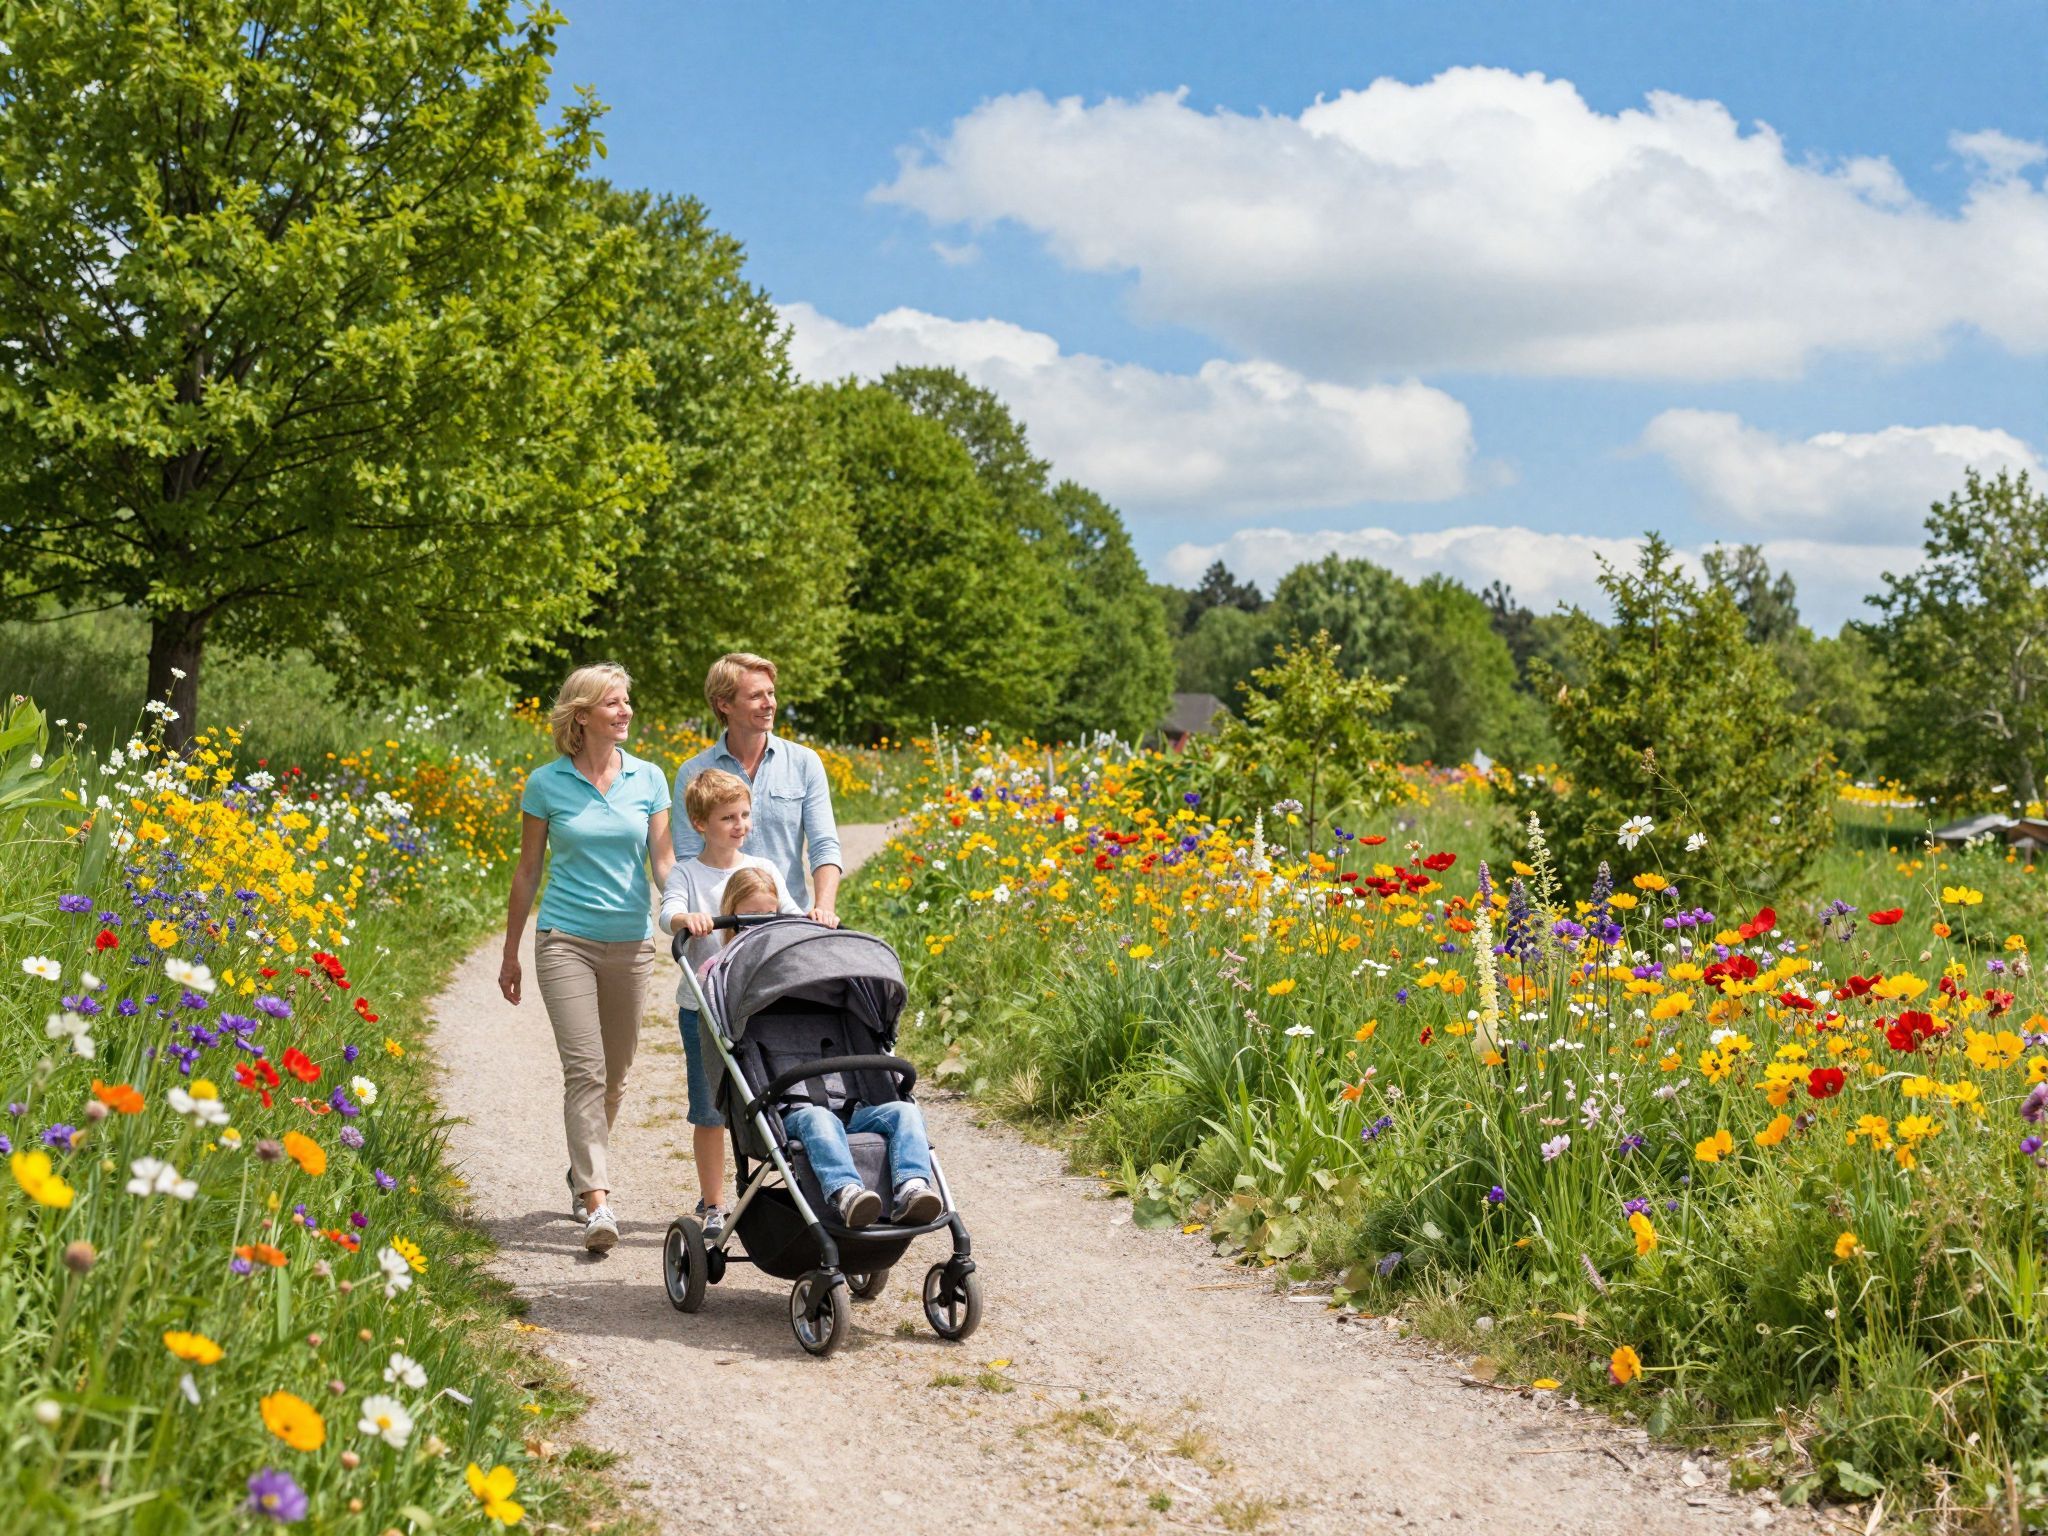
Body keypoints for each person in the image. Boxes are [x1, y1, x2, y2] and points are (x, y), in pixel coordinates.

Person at [500, 663, 673, 1253]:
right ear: (582, 715)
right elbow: (528, 871)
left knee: (617, 1074)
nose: (625, 711)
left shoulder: (649, 778)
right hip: (564, 939)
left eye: (627, 701)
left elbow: (664, 862)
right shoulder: (546, 784)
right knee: (586, 1070)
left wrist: (681, 910)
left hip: (631, 943)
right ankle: (597, 1201)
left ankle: (579, 1174)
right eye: (613, 703)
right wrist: (511, 951)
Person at [660, 770, 799, 1238]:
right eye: (727, 817)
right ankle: (714, 1202)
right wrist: (686, 917)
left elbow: (791, 914)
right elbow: (667, 912)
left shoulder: (762, 868)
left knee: (772, 1096)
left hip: (759, 1006)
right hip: (705, 1008)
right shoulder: (688, 873)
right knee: (711, 1106)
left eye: (744, 815)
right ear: (700, 822)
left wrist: (815, 919)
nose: (739, 825)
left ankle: (794, 1187)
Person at [671, 652, 843, 927]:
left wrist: (823, 909)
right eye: (755, 697)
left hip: (788, 921)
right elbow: (689, 856)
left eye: (771, 693)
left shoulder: (803, 762)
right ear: (724, 704)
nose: (769, 704)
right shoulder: (694, 772)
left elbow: (824, 845)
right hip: (722, 928)